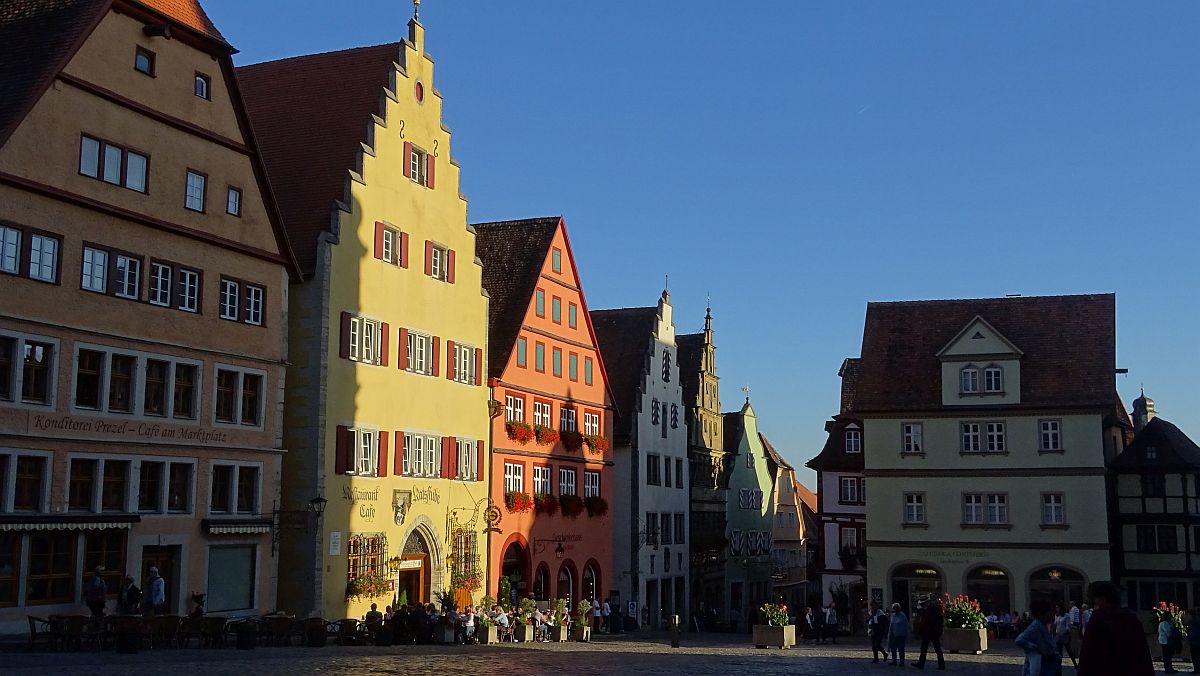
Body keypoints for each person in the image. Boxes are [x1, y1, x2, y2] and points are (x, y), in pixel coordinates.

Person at [1077, 581, 1153, 676]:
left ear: (1102, 599)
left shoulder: (1098, 619)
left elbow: (1088, 656)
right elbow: (1142, 653)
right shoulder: (1131, 618)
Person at [1016, 599, 1060, 676]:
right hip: (1038, 669)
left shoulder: (1044, 626)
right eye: (1049, 612)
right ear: (1041, 614)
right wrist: (1038, 649)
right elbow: (1019, 640)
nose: (1052, 614)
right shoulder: (1035, 627)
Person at [912, 596, 945, 670]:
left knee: (937, 649)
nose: (922, 605)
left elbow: (939, 621)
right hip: (926, 632)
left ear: (926, 602)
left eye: (923, 604)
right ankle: (921, 663)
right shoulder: (924, 609)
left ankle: (941, 665)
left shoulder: (934, 608)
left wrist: (938, 631)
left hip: (934, 632)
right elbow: (923, 621)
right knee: (923, 648)